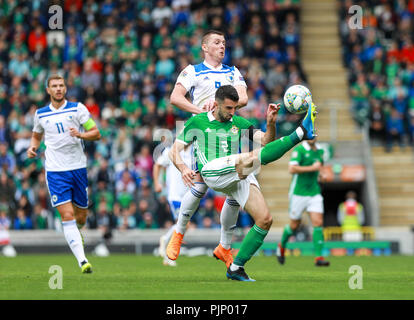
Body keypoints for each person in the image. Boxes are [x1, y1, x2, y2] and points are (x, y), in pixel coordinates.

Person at [167, 85, 318, 281]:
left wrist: (270, 123)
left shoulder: (238, 122)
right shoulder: (198, 121)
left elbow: (265, 142)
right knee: (247, 159)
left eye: (235, 108)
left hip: (236, 171)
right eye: (229, 108)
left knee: (265, 219)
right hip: (212, 171)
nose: (232, 113)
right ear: (217, 104)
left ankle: (236, 267)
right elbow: (174, 151)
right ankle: (300, 133)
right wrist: (184, 168)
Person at [169, 30, 249, 268]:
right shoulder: (193, 71)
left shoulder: (233, 72)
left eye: (224, 42)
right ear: (205, 47)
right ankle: (178, 233)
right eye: (216, 42)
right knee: (200, 183)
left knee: (237, 188)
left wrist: (222, 103)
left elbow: (243, 98)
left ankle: (225, 247)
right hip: (205, 131)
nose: (222, 46)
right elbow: (175, 97)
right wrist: (201, 113)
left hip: (230, 130)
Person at [27, 74, 101, 273]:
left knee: (81, 216)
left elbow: (96, 133)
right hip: (55, 171)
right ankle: (83, 261)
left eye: (61, 85)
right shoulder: (41, 114)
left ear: (65, 89)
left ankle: (78, 232)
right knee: (67, 215)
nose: (58, 89)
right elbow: (36, 135)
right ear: (48, 90)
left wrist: (81, 134)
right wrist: (32, 147)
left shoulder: (78, 109)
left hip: (77, 168)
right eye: (54, 86)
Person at [276, 137, 330, 267]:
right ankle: (281, 245)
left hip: (314, 192)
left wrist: (321, 174)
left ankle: (319, 257)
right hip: (298, 193)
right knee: (294, 225)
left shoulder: (321, 151)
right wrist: (312, 168)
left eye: (314, 135)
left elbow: (320, 167)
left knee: (318, 223)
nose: (312, 137)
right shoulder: (299, 149)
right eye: (310, 135)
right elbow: (292, 169)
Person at [153, 144, 192, 267]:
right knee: (184, 224)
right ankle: (167, 246)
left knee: (183, 225)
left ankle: (167, 250)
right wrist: (157, 183)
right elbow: (157, 165)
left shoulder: (194, 151)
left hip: (188, 194)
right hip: (175, 195)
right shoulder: (171, 151)